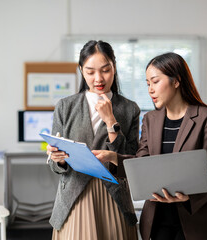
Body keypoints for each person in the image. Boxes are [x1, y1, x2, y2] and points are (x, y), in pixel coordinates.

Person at [94, 52, 207, 240]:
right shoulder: (150, 119)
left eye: (155, 82)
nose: (150, 89)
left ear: (176, 81)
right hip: (158, 220)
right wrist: (113, 158)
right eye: (147, 83)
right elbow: (142, 162)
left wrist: (189, 195)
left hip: (196, 219)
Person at [46, 40, 140, 240]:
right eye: (90, 72)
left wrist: (110, 121)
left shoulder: (129, 109)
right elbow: (56, 168)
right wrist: (58, 158)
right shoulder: (65, 106)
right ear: (81, 70)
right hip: (74, 198)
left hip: (114, 198)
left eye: (105, 70)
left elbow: (131, 161)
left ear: (114, 67)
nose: (98, 78)